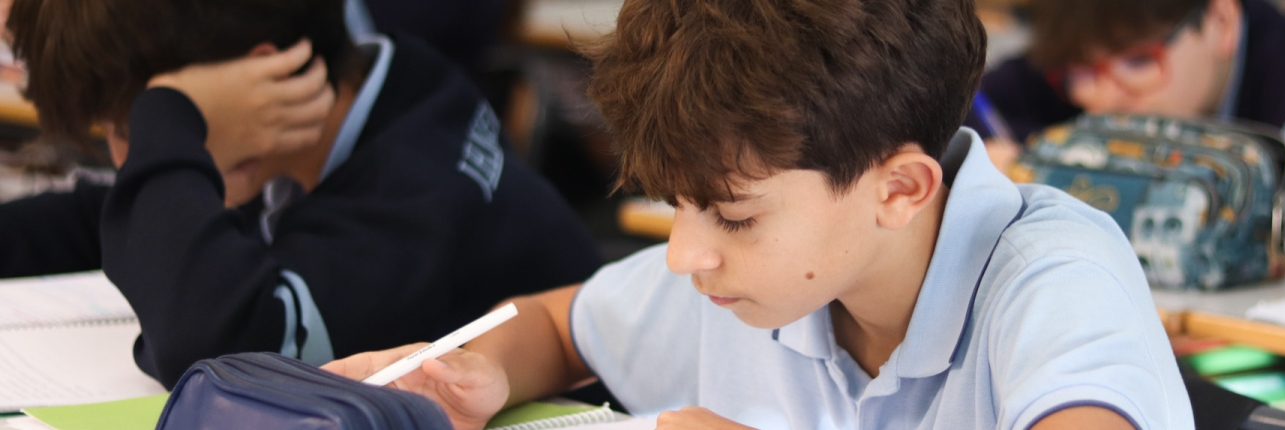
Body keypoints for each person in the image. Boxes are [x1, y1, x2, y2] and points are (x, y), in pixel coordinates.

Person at [325, 0, 1193, 429]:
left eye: (733, 217)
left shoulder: (1056, 277)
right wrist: (482, 374)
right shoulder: (765, 278)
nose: (683, 255)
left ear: (900, 189)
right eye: (679, 207)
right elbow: (561, 326)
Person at [2, 0, 602, 386]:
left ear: (264, 79)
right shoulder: (368, 91)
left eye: (138, 128)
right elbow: (114, 211)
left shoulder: (415, 193)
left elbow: (215, 351)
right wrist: (177, 130)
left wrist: (170, 116)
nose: (126, 157)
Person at [981, 0, 1285, 232]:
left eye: (1138, 63)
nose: (1103, 98)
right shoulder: (1088, 65)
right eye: (1080, 72)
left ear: (1220, 21)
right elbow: (964, 119)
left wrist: (1043, 170)